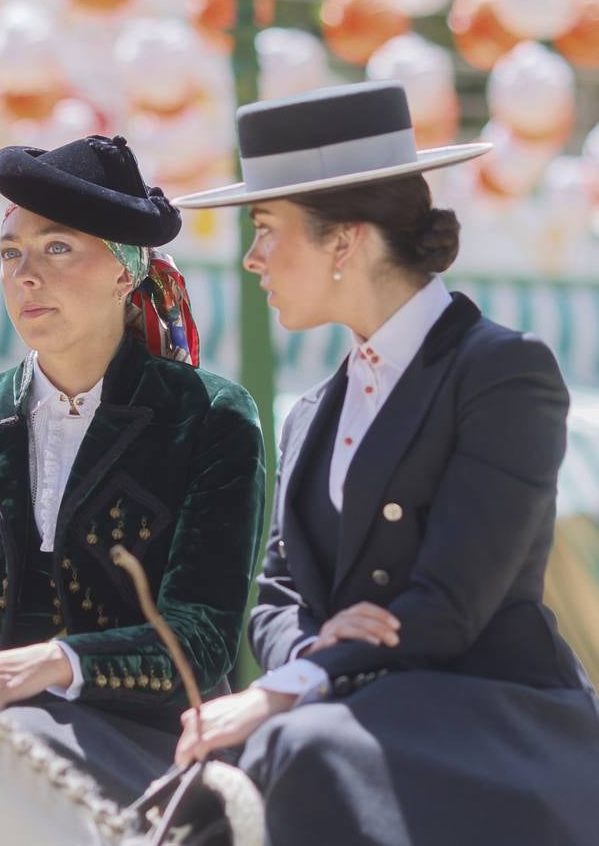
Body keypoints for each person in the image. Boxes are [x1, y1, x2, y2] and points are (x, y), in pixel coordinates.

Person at [169, 81, 599, 845]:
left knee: (293, 741)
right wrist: (312, 650)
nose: (251, 257)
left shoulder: (504, 371)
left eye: (267, 228)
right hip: (348, 711)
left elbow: (450, 602)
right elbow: (273, 593)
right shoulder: (309, 413)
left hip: (488, 720)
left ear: (345, 240)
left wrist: (294, 683)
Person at [0, 135, 265, 801]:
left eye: (56, 248)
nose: (24, 274)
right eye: (11, 254)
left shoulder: (208, 417)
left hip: (154, 749)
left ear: (126, 269)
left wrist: (50, 665)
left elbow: (201, 640)